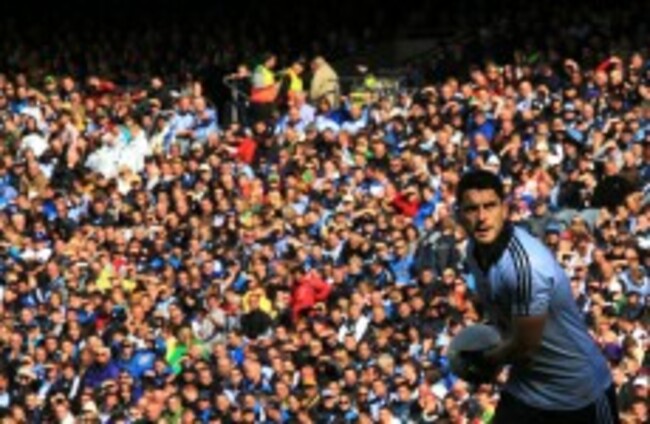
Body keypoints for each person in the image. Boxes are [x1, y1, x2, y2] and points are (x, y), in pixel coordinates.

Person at [455, 169, 619, 423]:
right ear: (459, 214)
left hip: (578, 392)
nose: (482, 217)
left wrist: (483, 359)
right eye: (472, 209)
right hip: (527, 389)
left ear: (505, 209)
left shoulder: (525, 265)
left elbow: (526, 346)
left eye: (490, 206)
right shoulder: (473, 251)